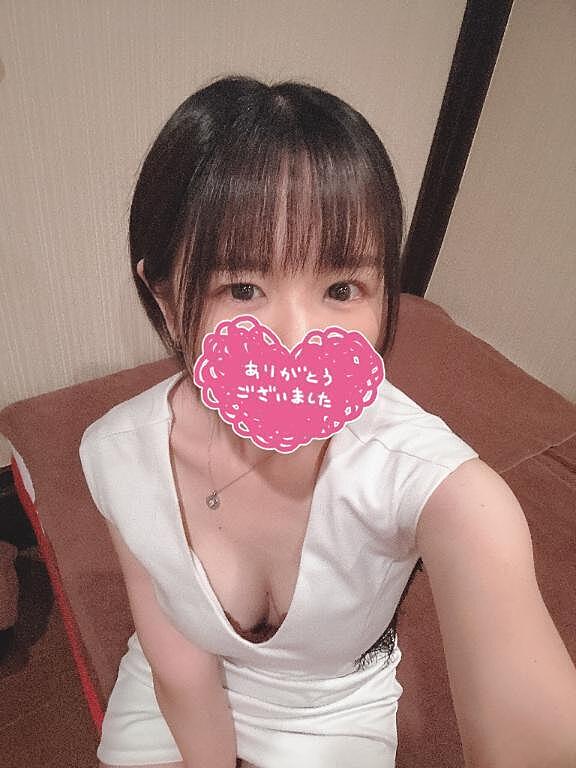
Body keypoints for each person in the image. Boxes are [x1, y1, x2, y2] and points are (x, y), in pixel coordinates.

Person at [79, 75, 576, 768]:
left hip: (333, 704)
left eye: (342, 289)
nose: (296, 340)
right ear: (165, 298)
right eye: (243, 287)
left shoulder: (441, 488)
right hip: (176, 693)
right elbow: (179, 666)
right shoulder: (116, 454)